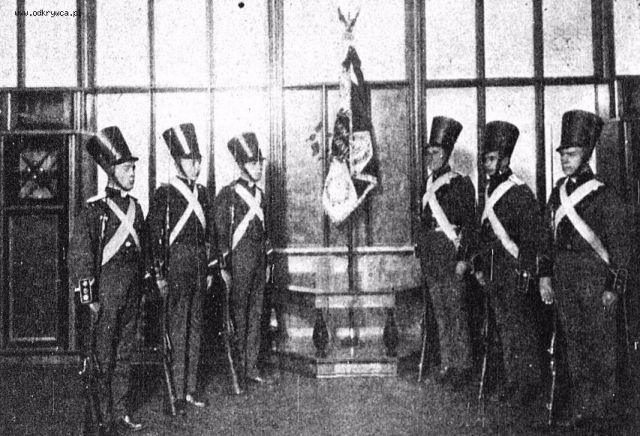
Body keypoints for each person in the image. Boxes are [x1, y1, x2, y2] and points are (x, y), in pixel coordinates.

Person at [539, 110, 632, 429]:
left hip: (594, 277)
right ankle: (584, 406)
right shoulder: (557, 194)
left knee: (601, 345)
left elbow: (621, 247)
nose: (565, 160)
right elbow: (547, 238)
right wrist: (545, 275)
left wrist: (613, 287)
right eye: (562, 154)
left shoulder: (604, 195)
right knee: (574, 344)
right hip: (564, 276)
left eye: (572, 154)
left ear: (587, 155)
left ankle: (603, 410)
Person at [69, 126, 151, 433]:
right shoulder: (94, 211)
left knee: (125, 354)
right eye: (127, 168)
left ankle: (120, 412)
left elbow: (143, 253)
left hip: (131, 293)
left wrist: (144, 287)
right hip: (105, 295)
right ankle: (102, 416)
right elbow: (80, 257)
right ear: (110, 170)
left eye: (133, 168)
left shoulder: (136, 208)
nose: (132, 173)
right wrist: (88, 299)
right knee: (102, 356)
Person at [471, 121, 546, 405]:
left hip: (513, 269)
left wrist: (526, 271)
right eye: (485, 159)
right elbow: (481, 233)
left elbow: (533, 236)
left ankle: (528, 384)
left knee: (521, 329)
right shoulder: (488, 191)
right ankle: (514, 381)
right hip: (493, 269)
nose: (487, 165)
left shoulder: (520, 192)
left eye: (491, 159)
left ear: (504, 160)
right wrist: (479, 267)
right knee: (504, 329)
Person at [147, 123, 214, 413]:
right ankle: (175, 391)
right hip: (176, 263)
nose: (196, 166)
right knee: (177, 328)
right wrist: (159, 274)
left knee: (196, 327)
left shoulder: (204, 194)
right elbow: (154, 236)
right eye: (190, 161)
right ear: (177, 162)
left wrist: (209, 269)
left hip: (199, 264)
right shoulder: (164, 194)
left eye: (198, 160)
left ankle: (190, 390)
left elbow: (210, 235)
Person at [416, 116, 476, 389]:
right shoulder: (426, 186)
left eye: (436, 153)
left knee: (456, 312)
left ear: (446, 154)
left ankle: (462, 366)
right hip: (432, 256)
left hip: (451, 254)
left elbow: (470, 226)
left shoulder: (460, 184)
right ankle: (447, 363)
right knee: (440, 312)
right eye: (428, 153)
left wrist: (464, 258)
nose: (431, 158)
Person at [213, 132, 274, 387]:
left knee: (256, 314)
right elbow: (220, 234)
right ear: (241, 165)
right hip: (238, 262)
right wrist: (224, 267)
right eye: (252, 163)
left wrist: (268, 262)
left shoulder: (261, 195)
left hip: (258, 261)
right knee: (238, 315)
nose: (258, 167)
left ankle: (251, 366)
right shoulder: (227, 195)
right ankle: (237, 368)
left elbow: (267, 232)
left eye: (259, 162)